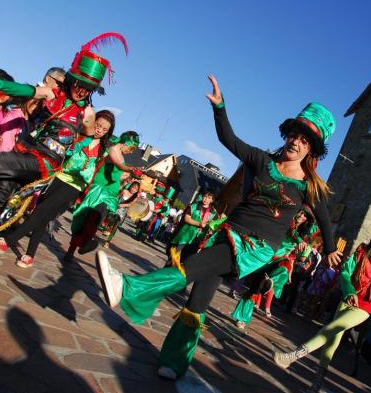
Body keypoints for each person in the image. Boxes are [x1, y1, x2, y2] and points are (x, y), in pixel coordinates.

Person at [95, 74, 341, 380]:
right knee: (199, 297)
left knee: (192, 267)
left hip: (256, 248)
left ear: (311, 150)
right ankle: (175, 361)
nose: (296, 142)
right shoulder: (262, 160)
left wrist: (330, 250)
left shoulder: (309, 186)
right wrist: (220, 108)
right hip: (227, 232)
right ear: (287, 134)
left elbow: (325, 220)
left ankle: (130, 288)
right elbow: (229, 140)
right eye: (294, 134)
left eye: (304, 140)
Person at [0, 33, 128, 267]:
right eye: (80, 84)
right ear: (71, 80)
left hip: (45, 164)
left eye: (88, 88)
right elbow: (23, 90)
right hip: (25, 151)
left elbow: (93, 138)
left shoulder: (88, 115)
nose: (82, 91)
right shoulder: (52, 94)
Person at [273, 224, 371, 393]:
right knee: (332, 341)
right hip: (348, 299)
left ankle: (294, 355)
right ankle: (317, 384)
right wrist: (349, 291)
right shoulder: (363, 251)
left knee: (332, 327)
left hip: (368, 307)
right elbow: (345, 271)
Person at [1, 110, 117, 268]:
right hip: (57, 176)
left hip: (75, 186)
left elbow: (117, 157)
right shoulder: (79, 136)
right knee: (43, 215)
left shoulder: (104, 150)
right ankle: (29, 255)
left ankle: (9, 240)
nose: (100, 131)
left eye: (105, 130)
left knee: (42, 210)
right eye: (98, 125)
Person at [231, 208, 317, 328]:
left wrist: (300, 250)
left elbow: (300, 253)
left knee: (284, 269)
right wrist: (298, 240)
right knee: (255, 288)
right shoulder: (286, 222)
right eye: (301, 212)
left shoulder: (302, 235)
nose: (302, 216)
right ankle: (242, 316)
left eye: (305, 216)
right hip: (266, 257)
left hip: (281, 259)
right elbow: (291, 231)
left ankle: (271, 282)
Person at [64, 131, 140, 260]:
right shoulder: (112, 150)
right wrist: (130, 169)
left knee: (95, 220)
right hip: (99, 190)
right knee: (85, 218)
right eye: (131, 148)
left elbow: (115, 174)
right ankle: (76, 247)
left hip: (110, 193)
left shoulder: (121, 155)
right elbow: (118, 164)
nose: (131, 151)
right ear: (126, 143)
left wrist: (124, 179)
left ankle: (83, 244)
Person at [169, 191, 217, 261]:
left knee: (187, 259)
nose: (206, 199)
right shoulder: (194, 206)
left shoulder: (213, 212)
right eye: (205, 197)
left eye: (209, 198)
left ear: (212, 200)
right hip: (186, 235)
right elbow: (186, 219)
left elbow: (213, 226)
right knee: (174, 256)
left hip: (198, 239)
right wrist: (199, 224)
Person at [103, 180, 141, 248]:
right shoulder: (124, 191)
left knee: (115, 227)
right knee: (109, 219)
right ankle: (106, 229)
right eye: (133, 187)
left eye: (136, 189)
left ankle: (107, 242)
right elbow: (117, 196)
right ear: (130, 186)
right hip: (116, 208)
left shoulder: (135, 198)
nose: (134, 189)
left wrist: (123, 205)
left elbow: (130, 205)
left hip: (122, 212)